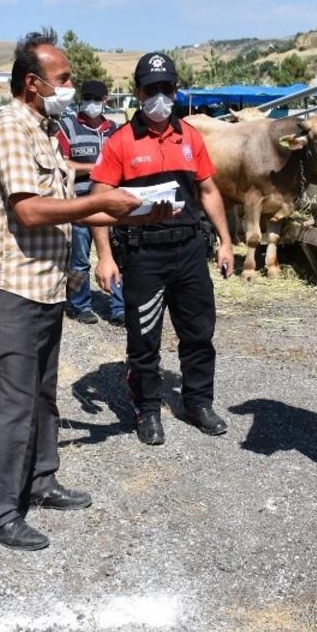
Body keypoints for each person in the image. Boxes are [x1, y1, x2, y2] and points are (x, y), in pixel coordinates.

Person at [0, 28, 170, 551]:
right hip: (10, 287)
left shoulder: (45, 129)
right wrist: (105, 204)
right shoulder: (11, 128)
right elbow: (30, 209)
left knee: (41, 396)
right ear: (33, 83)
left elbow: (71, 200)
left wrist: (139, 211)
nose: (72, 85)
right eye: (63, 78)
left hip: (43, 286)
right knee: (12, 402)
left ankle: (40, 481)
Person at [90, 52, 235, 446]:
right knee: (144, 339)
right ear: (137, 92)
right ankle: (148, 410)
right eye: (151, 89)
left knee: (199, 333)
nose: (159, 96)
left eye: (166, 88)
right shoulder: (120, 142)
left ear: (176, 89)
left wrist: (225, 241)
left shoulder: (190, 138)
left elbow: (207, 190)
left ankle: (198, 403)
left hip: (189, 252)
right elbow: (99, 198)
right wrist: (104, 256)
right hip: (143, 257)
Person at [57, 80, 124, 326]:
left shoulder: (114, 130)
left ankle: (118, 306)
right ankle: (79, 303)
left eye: (96, 99)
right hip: (81, 202)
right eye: (87, 99)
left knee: (115, 254)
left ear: (106, 100)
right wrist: (96, 169)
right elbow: (63, 163)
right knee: (79, 258)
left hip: (110, 204)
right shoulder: (67, 127)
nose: (91, 104)